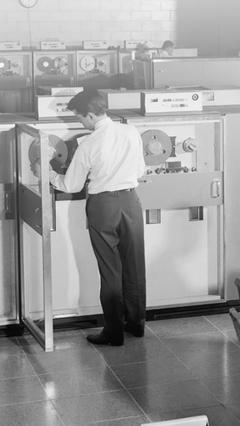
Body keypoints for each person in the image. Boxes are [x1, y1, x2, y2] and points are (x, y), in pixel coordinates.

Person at [49, 89, 146, 346]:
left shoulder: (88, 144)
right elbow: (140, 170)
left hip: (103, 207)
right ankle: (136, 324)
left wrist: (45, 173)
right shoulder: (131, 131)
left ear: (91, 115)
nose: (81, 123)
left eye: (81, 118)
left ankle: (113, 332)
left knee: (110, 271)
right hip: (131, 202)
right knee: (134, 266)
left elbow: (70, 185)